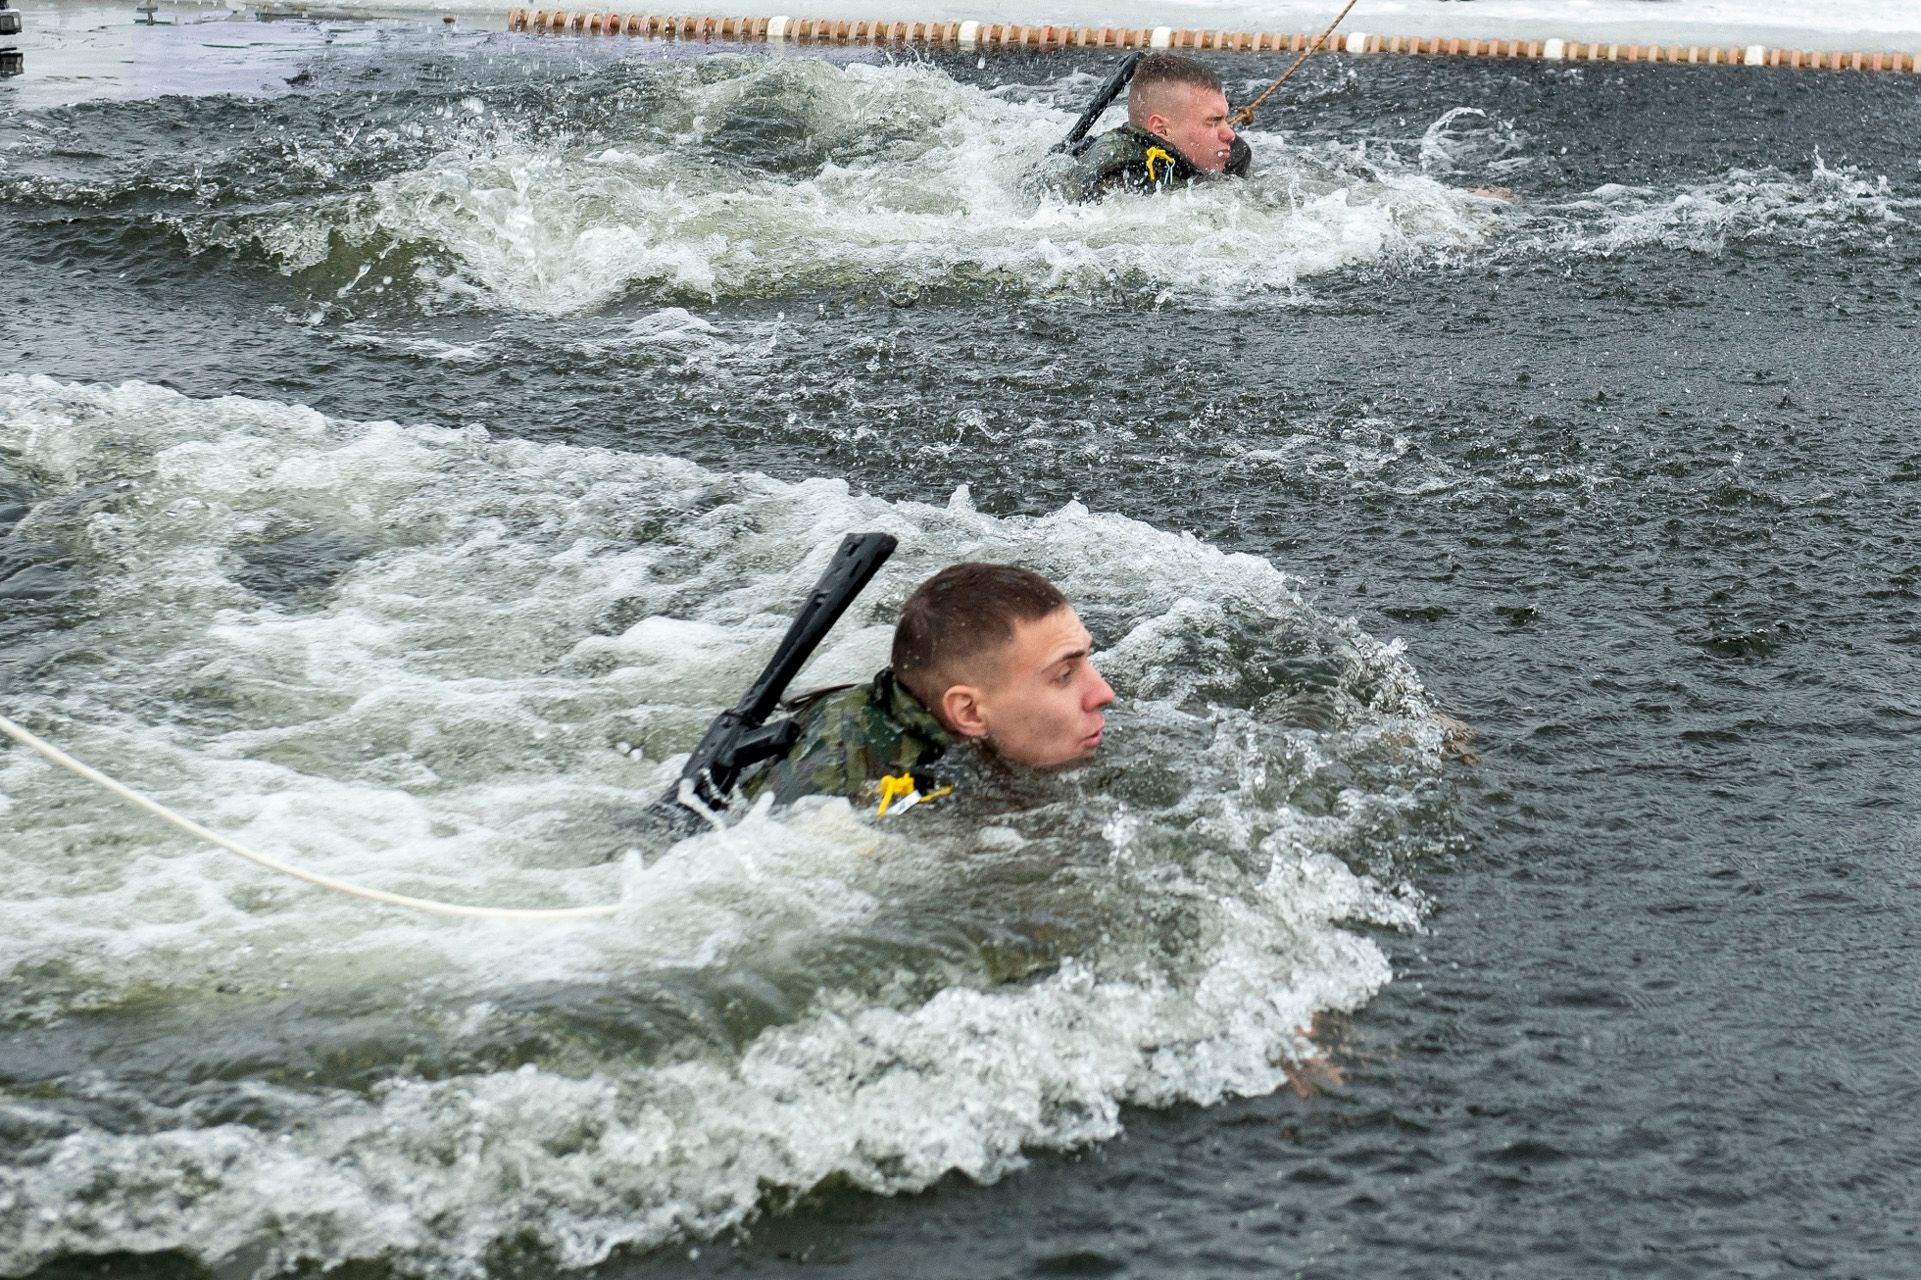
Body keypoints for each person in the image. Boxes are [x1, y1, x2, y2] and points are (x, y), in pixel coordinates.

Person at [743, 563, 1115, 813]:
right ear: (969, 712)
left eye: (1086, 659)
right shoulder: (852, 803)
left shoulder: (921, 715)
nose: (1103, 693)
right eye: (1063, 675)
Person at [1059, 52, 1252, 202]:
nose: (1229, 134)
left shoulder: (1232, 154)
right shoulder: (1119, 179)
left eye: (1225, 119)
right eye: (1212, 122)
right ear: (1161, 129)